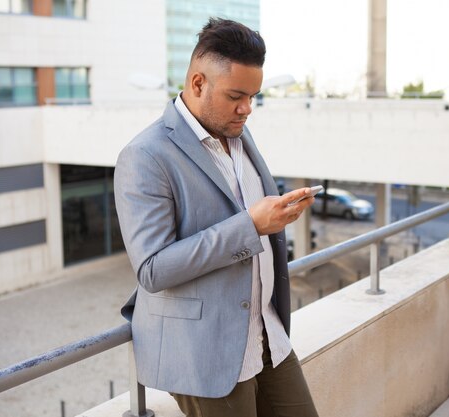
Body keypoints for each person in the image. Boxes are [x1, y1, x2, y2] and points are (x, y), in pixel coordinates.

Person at [114, 18, 319, 417]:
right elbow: (152, 269)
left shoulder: (239, 132)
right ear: (197, 84)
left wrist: (276, 214)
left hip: (267, 333)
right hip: (205, 351)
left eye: (253, 96)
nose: (247, 109)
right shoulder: (145, 156)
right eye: (236, 96)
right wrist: (251, 226)